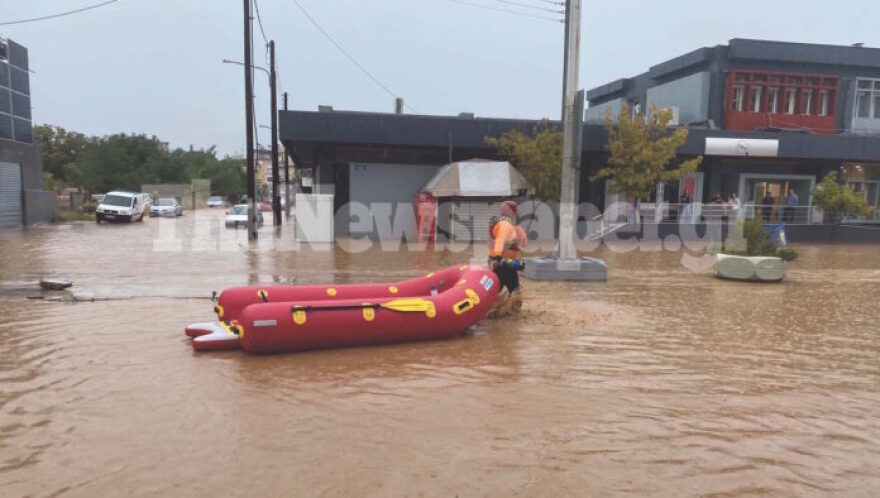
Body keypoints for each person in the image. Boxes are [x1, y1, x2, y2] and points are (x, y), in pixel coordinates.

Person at [487, 200, 528, 318]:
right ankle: (514, 317)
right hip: (503, 264)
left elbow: (523, 243)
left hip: (502, 263)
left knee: (495, 291)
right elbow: (500, 242)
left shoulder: (506, 224)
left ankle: (492, 312)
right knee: (515, 293)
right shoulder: (505, 225)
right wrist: (498, 259)